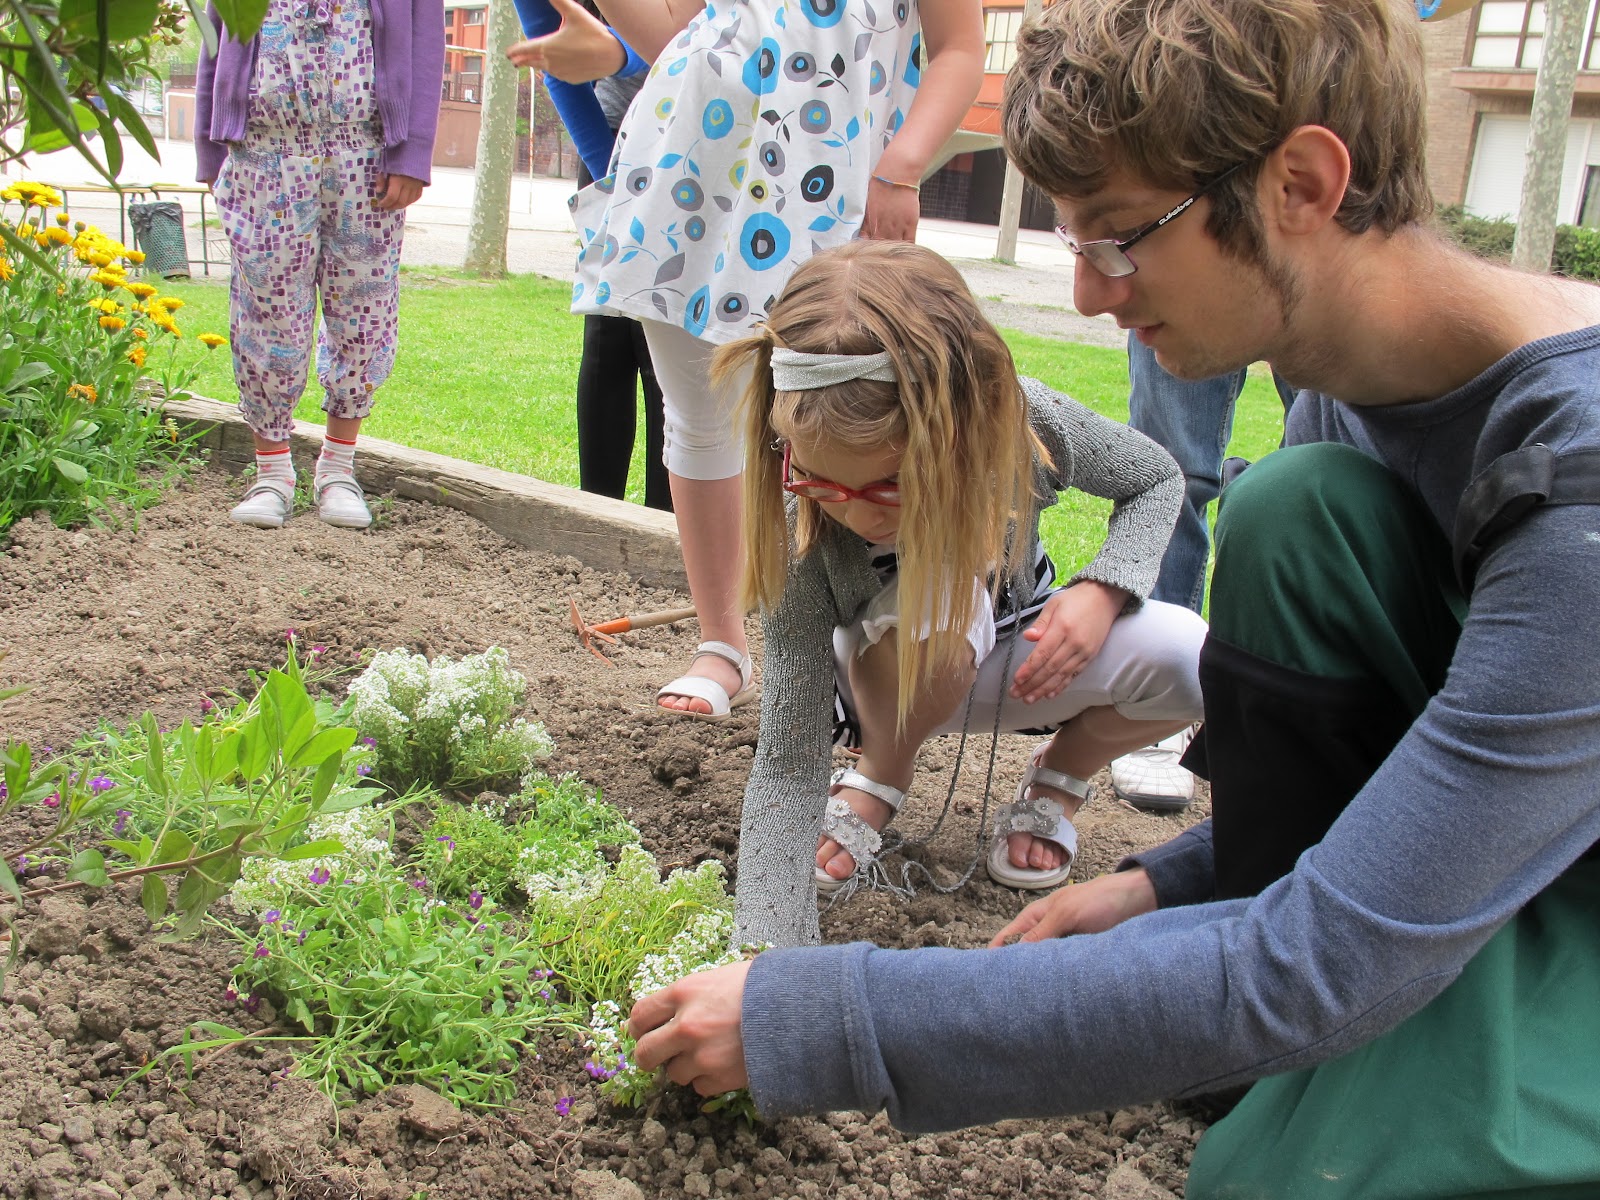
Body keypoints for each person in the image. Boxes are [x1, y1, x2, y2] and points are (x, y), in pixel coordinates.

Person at [622, 1, 1600, 1193]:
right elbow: (1421, 787)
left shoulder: (1577, 483)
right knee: (1294, 507)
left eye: (1120, 238)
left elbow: (1316, 964)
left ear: (1300, 181)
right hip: (1495, 873)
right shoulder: (1343, 407)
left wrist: (824, 1017)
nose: (1087, 297)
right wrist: (1164, 881)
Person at [717, 240, 1205, 948]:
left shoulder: (1022, 423)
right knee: (937, 603)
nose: (854, 513)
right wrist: (763, 951)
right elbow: (789, 762)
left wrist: (1104, 589)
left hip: (1022, 655)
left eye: (889, 484)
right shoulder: (805, 528)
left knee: (1191, 655)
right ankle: (883, 771)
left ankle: (1059, 777)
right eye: (817, 479)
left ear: (967, 428)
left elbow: (1155, 478)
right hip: (878, 682)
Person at [518, 0, 986, 720]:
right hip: (691, 157)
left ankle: (846, 655)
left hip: (833, 174)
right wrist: (613, 40)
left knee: (845, 413)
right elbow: (678, 29)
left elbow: (958, 46)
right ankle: (723, 647)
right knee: (698, 416)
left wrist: (900, 170)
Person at [195, 0, 445, 530]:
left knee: (363, 310)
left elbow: (425, 45)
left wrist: (412, 155)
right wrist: (208, 145)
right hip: (263, 154)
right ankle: (272, 473)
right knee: (267, 309)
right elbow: (215, 34)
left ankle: (337, 470)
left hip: (367, 158)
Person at [1105, 342, 1296, 812]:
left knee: (1316, 470)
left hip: (1328, 272)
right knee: (1169, 468)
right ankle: (1160, 699)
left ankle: (1293, 699)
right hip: (1187, 269)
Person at [510, 0, 672, 511]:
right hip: (610, 139)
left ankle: (667, 524)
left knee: (666, 342)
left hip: (691, 134)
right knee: (608, 335)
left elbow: (698, 39)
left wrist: (614, 54)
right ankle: (599, 512)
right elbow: (553, 56)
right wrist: (608, 189)